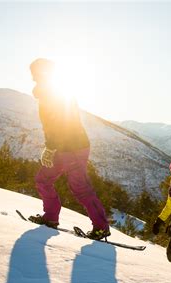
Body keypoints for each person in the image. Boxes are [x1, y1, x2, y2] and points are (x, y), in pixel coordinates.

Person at [27, 58, 110, 240]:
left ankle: (101, 227)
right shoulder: (48, 92)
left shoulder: (53, 93)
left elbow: (59, 123)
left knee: (80, 188)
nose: (32, 77)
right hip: (63, 147)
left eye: (35, 72)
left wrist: (50, 148)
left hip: (73, 147)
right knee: (43, 180)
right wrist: (51, 147)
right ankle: (50, 217)